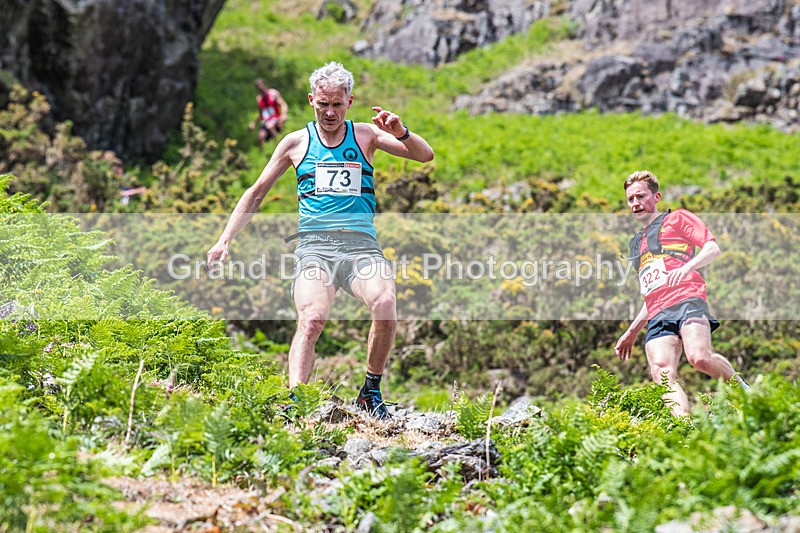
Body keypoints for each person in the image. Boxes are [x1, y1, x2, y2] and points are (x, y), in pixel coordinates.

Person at [208, 62, 434, 419]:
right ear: (312, 100)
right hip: (315, 248)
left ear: (349, 101)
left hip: (361, 247)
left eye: (337, 105)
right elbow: (256, 193)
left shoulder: (365, 136)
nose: (330, 113)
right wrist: (224, 240)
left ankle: (370, 392)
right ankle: (298, 400)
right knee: (312, 319)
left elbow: (424, 156)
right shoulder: (295, 142)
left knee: (386, 302)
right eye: (322, 105)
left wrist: (402, 131)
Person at [614, 170, 749, 416]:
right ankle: (682, 428)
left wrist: (687, 268)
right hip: (657, 313)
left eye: (641, 196)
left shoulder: (677, 219)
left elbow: (712, 248)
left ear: (656, 196)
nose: (635, 203)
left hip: (687, 299)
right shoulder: (636, 243)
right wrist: (632, 331)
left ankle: (745, 393)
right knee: (661, 373)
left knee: (699, 357)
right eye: (630, 199)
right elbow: (650, 294)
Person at [248, 78, 288, 146]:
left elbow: (283, 104)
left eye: (261, 85)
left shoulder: (273, 93)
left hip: (276, 117)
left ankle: (280, 145)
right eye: (258, 87)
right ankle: (265, 153)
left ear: (265, 85)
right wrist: (253, 123)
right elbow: (261, 114)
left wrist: (284, 115)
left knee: (270, 126)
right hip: (266, 120)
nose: (260, 88)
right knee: (260, 136)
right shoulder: (259, 99)